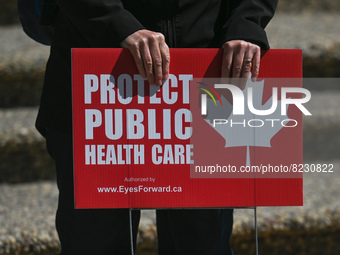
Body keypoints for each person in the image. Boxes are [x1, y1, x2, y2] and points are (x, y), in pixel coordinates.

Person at [36, 0, 278, 254]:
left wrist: (247, 22)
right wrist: (115, 23)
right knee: (95, 243)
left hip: (204, 77)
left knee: (202, 245)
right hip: (97, 75)